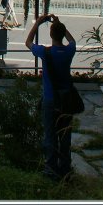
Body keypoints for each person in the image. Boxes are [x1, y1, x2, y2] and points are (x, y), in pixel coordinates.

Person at [25, 13, 76, 181]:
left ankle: (50, 169)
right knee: (65, 134)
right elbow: (72, 41)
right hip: (67, 100)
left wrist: (38, 23)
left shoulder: (45, 53)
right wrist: (60, 24)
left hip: (49, 99)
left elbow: (28, 42)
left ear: (51, 35)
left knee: (50, 134)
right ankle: (65, 168)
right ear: (62, 34)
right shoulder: (69, 51)